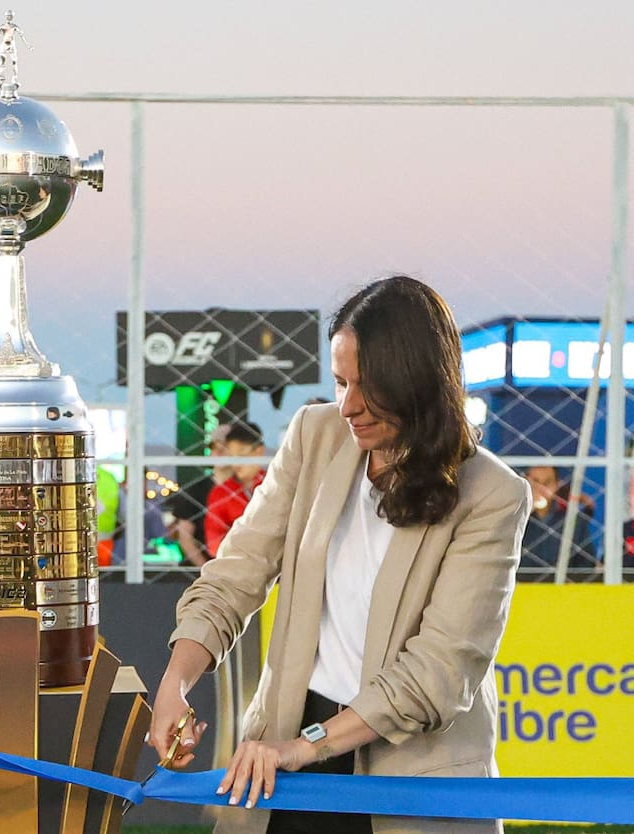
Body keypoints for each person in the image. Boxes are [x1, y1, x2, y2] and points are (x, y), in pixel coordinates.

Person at [150, 276, 531, 834]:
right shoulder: (315, 434)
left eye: (367, 387)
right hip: (282, 766)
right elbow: (235, 575)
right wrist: (174, 685)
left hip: (406, 778)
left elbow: (439, 675)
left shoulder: (493, 493)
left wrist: (307, 748)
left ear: (418, 383)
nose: (348, 406)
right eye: (339, 382)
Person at [167, 426, 239, 566]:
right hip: (201, 570)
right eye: (214, 447)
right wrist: (206, 573)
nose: (218, 452)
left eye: (224, 447)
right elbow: (185, 538)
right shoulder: (194, 490)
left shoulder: (249, 489)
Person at [518, 464, 598, 582]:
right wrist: (526, 513)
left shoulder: (573, 521)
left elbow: (587, 563)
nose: (541, 488)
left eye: (547, 483)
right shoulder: (513, 516)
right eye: (535, 482)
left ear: (556, 485)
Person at [204, 421, 268, 557]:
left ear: (259, 451)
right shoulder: (220, 493)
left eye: (242, 455)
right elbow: (214, 543)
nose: (236, 462)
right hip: (236, 565)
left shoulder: (274, 485)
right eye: (232, 456)